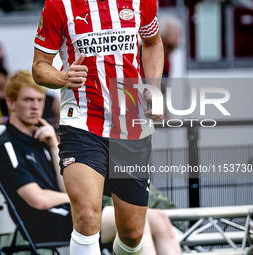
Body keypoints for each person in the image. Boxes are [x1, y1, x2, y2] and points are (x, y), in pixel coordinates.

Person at [0, 71, 181, 255]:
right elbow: (38, 200)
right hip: (44, 223)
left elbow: (66, 189)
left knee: (159, 218)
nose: (35, 106)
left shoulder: (42, 137)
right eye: (28, 100)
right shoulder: (5, 146)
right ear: (11, 103)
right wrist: (83, 198)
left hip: (68, 212)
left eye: (39, 100)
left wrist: (55, 147)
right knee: (133, 223)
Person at [32, 0, 164, 254]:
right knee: (87, 216)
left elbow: (152, 42)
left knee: (132, 235)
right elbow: (39, 67)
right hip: (81, 123)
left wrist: (154, 88)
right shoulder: (58, 6)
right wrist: (63, 77)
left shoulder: (141, 2)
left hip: (130, 126)